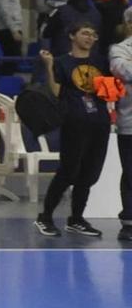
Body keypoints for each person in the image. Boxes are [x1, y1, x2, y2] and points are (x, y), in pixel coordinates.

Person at [35, 23, 111, 238]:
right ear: (72, 35)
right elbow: (56, 91)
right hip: (74, 122)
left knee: (89, 173)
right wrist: (49, 66)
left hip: (100, 122)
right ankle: (45, 216)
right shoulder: (61, 62)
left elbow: (108, 93)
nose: (90, 37)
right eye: (85, 33)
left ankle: (76, 218)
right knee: (68, 171)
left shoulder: (101, 62)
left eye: (93, 34)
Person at [112, 22, 132, 244]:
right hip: (129, 123)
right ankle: (129, 222)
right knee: (131, 173)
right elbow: (123, 70)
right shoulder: (119, 49)